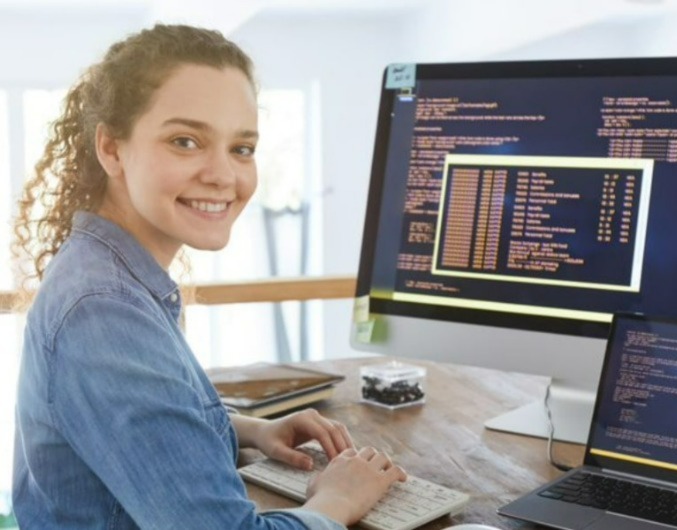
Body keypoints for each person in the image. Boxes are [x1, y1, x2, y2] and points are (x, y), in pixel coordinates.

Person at [11, 23, 406, 529]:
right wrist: (338, 499)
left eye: (241, 148)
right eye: (185, 140)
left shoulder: (107, 272)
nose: (223, 175)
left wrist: (245, 429)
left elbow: (134, 425)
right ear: (111, 149)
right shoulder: (103, 307)